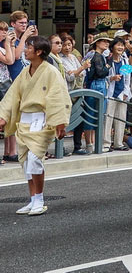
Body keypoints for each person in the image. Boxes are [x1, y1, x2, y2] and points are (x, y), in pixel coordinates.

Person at [0, 35, 72, 215]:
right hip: (25, 120)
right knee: (25, 162)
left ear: (39, 51)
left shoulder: (51, 72)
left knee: (34, 159)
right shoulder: (26, 72)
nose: (25, 50)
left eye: (28, 47)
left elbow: (58, 97)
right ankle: (32, 199)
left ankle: (39, 198)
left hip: (42, 119)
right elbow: (12, 95)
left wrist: (60, 122)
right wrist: (3, 116)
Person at [5, 12, 36, 163]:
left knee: (17, 118)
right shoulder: (9, 38)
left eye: (26, 23)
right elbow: (16, 57)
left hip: (24, 80)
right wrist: (23, 38)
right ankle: (10, 151)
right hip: (11, 81)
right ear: (13, 24)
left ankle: (12, 151)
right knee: (11, 117)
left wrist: (33, 38)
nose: (24, 25)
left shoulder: (23, 39)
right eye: (21, 23)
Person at [102, 37, 131, 152]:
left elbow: (127, 79)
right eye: (118, 45)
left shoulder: (125, 60)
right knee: (108, 119)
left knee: (121, 119)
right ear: (112, 47)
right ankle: (106, 143)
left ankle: (118, 143)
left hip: (122, 94)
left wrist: (126, 92)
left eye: (122, 45)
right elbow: (103, 77)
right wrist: (112, 78)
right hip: (110, 94)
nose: (120, 48)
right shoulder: (107, 60)